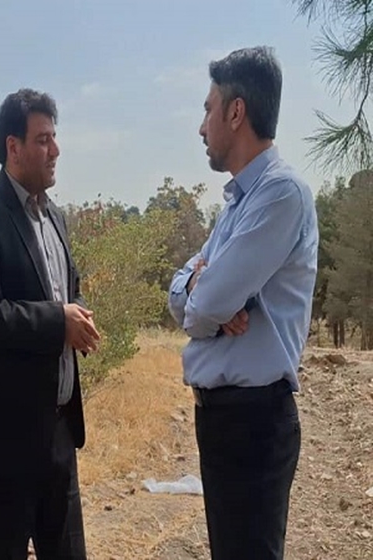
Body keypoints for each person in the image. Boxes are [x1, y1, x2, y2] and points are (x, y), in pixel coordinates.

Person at [168, 46, 318, 560]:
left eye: (208, 109)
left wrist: (204, 294)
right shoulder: (238, 202)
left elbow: (205, 303)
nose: (201, 126)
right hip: (225, 420)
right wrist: (200, 290)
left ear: (236, 112)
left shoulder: (280, 195)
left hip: (254, 423)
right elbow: (185, 296)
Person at [0, 88, 100, 560]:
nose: (55, 150)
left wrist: (77, 313)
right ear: (12, 147)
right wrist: (59, 321)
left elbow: (67, 290)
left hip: (58, 435)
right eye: (43, 140)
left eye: (54, 138)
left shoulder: (56, 217)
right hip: (4, 444)